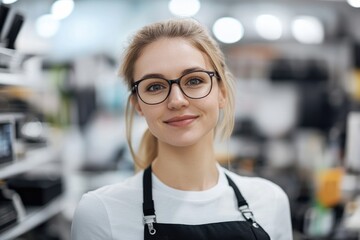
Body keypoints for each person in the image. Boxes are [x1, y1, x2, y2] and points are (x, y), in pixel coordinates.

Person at [71, 18, 293, 240]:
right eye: (155, 86)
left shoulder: (270, 202)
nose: (177, 101)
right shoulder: (101, 213)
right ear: (138, 104)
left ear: (222, 92)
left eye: (194, 81)